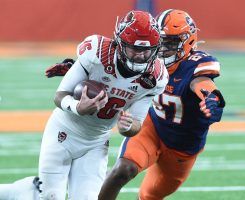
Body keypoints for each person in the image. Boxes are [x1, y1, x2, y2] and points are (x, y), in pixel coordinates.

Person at [0, 10, 168, 200]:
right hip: (63, 132)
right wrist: (77, 107)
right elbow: (59, 96)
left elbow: (136, 124)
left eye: (147, 50)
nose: (141, 56)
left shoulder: (156, 77)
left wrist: (127, 127)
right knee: (50, 197)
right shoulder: (98, 53)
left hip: (96, 142)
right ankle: (25, 191)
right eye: (134, 49)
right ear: (120, 44)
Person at [97, 9, 225, 200]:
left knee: (150, 195)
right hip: (152, 128)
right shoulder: (148, 58)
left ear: (187, 41)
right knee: (123, 170)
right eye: (161, 42)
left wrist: (211, 97)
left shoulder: (197, 64)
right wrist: (82, 69)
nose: (163, 48)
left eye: (171, 43)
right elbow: (114, 64)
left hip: (183, 147)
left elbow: (201, 82)